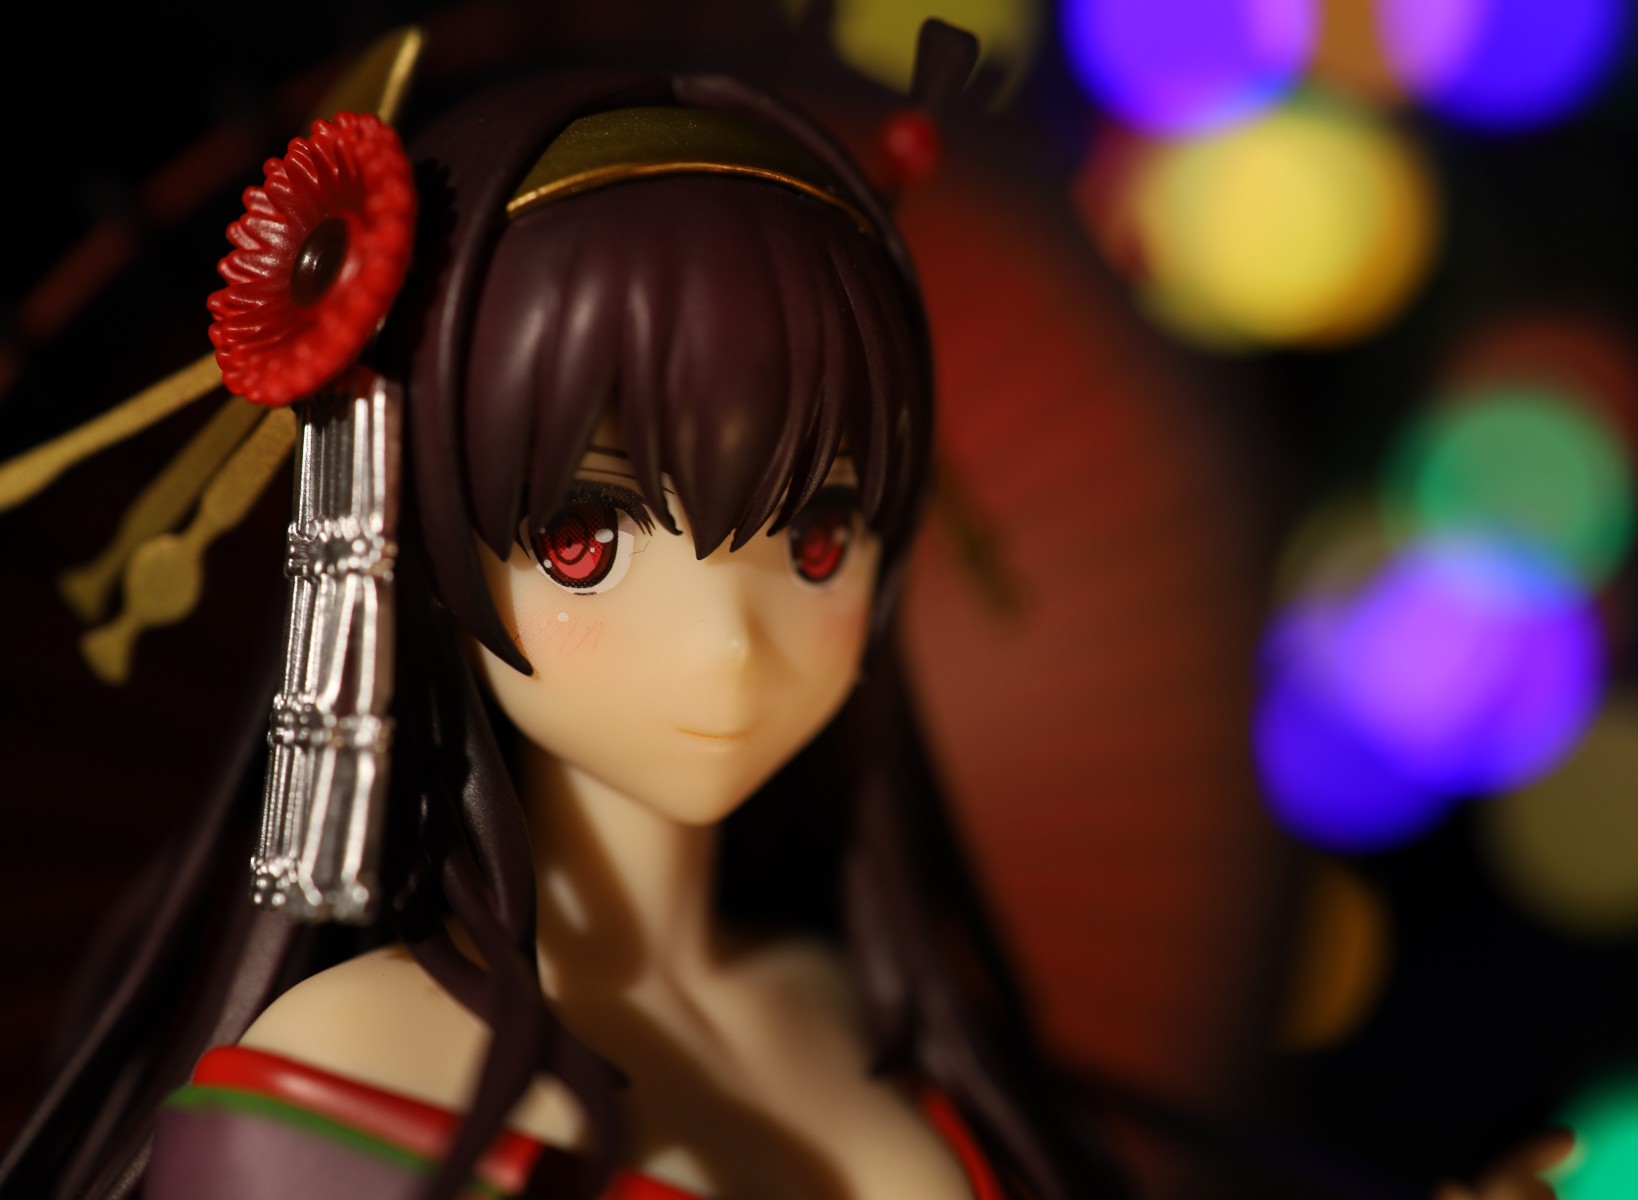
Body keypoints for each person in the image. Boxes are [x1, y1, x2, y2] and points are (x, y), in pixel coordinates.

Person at [0, 41, 1119, 1200]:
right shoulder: (355, 1064)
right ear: (416, 532)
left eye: (817, 538)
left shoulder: (870, 1010)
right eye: (586, 535)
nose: (731, 640)